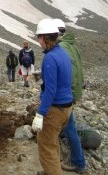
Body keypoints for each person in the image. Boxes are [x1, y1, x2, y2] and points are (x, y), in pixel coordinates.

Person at [32, 18, 73, 175]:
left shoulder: (49, 58)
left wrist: (40, 114)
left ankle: (52, 171)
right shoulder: (61, 53)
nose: (38, 40)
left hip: (55, 109)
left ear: (43, 37)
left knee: (46, 148)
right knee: (52, 142)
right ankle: (50, 171)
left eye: (38, 37)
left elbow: (50, 91)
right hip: (66, 107)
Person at [54, 18, 87, 173]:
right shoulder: (72, 45)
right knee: (67, 126)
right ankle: (75, 159)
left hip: (67, 94)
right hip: (73, 92)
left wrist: (69, 93)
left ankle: (78, 162)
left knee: (69, 127)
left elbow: (69, 73)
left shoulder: (62, 47)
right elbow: (78, 69)